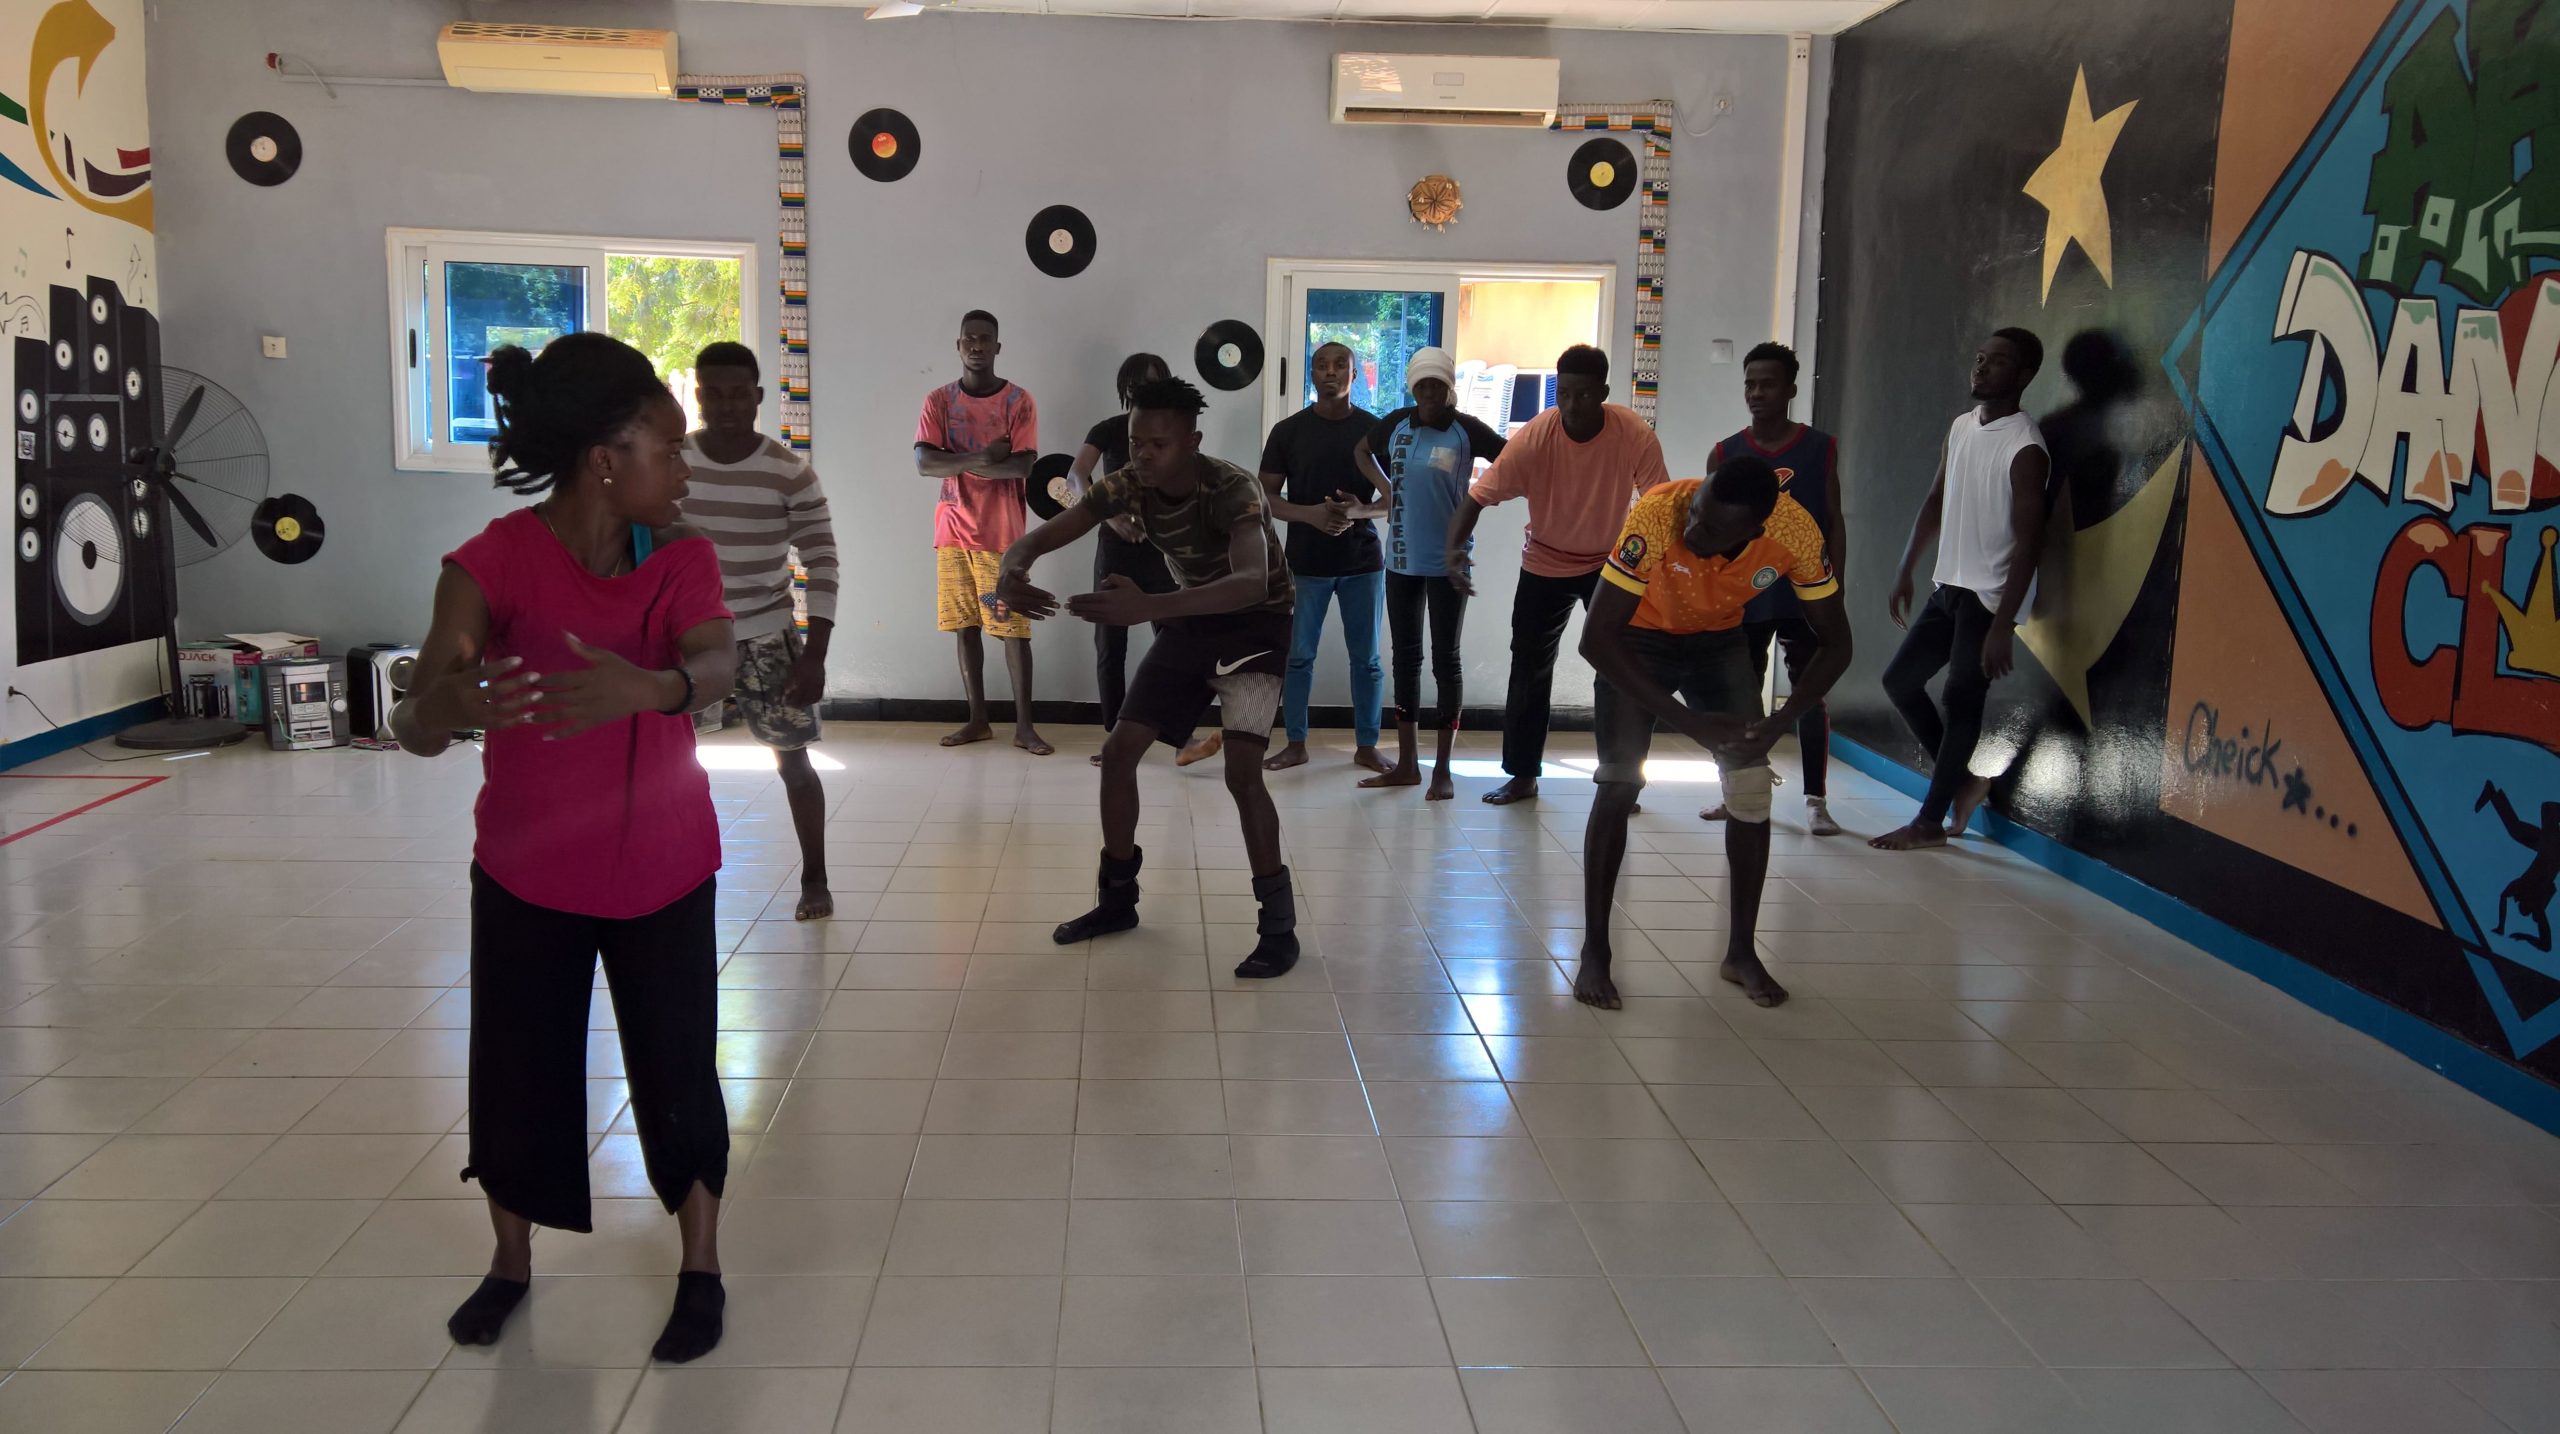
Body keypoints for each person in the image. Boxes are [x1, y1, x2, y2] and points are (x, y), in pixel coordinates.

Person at [391, 333, 736, 1363]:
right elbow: (415, 716)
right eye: (666, 451)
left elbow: (717, 659)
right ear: (605, 459)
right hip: (529, 875)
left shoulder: (680, 555)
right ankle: (509, 1263)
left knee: (677, 1068)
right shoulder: (494, 562)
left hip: (665, 867)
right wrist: (449, 700)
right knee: (519, 1069)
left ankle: (702, 1266)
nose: (682, 471)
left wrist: (655, 687)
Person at [992, 376, 1303, 978]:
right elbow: (1047, 533)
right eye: (1136, 442)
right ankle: (1117, 903)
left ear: (1193, 442)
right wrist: (1012, 569)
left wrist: (1149, 607)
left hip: (1258, 626)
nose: (1143, 455)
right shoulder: (1129, 483)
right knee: (1118, 753)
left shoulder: (1232, 486)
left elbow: (1250, 583)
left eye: (1158, 444)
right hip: (1189, 618)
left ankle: (1279, 929)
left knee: (1243, 774)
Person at [1576, 455, 1851, 1010]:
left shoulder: (1794, 532)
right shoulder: (1658, 515)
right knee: (1619, 784)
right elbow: (1596, 640)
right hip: (1637, 639)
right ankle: (1595, 953)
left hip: (1718, 641)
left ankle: (1741, 952)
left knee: (1750, 789)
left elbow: (1836, 643)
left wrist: (1777, 724)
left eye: (1713, 528)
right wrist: (1693, 726)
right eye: (1697, 514)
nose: (1694, 530)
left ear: (1755, 531)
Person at [1447, 345, 1668, 805]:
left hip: (1611, 565)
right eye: (1563, 393)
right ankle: (1523, 775)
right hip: (1546, 560)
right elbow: (1477, 498)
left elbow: (1660, 506)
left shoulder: (1632, 434)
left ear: (1603, 393)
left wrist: (1658, 571)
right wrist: (1454, 553)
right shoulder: (1535, 437)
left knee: (1617, 669)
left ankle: (1621, 779)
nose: (1571, 405)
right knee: (1528, 666)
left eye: (1583, 395)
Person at [1872, 328, 2052, 851]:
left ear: (2023, 377)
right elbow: (1935, 501)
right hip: (1949, 585)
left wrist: (2002, 624)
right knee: (1900, 681)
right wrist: (1906, 567)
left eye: (1997, 362)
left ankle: (1930, 822)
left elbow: (2030, 543)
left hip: (1990, 596)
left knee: (1960, 697)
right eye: (1980, 358)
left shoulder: (2026, 447)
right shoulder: (1961, 428)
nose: (1981, 367)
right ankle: (1967, 783)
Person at [682, 341, 840, 919]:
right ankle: (675, 877)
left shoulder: (788, 472)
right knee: (666, 764)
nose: (726, 405)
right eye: (713, 394)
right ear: (698, 396)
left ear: (758, 396)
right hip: (688, 639)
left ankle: (815, 879)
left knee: (793, 761)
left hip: (767, 636)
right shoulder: (673, 465)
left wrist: (814, 656)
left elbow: (822, 561)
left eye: (738, 394)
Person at [1697, 342, 1844, 836]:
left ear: (1791, 390)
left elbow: (1833, 520)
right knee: (1739, 691)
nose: (1756, 393)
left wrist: (1834, 584)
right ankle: (1736, 788)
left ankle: (1815, 800)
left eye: (1768, 384)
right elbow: (1710, 528)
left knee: (1809, 691)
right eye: (1750, 384)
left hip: (1802, 592)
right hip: (1745, 595)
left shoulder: (1820, 447)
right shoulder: (1725, 452)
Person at [1352, 347, 1506, 799]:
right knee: (1405, 659)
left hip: (1446, 564)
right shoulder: (1398, 422)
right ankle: (1406, 764)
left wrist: (1479, 500)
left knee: (1446, 661)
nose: (1430, 393)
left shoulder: (1466, 430)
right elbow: (1361, 451)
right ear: (1413, 388)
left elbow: (1514, 463)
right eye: (1422, 386)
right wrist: (1387, 489)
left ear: (1449, 388)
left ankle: (1442, 769)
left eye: (1438, 385)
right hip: (1400, 560)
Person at [1068, 352, 1220, 768]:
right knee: (1109, 645)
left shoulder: (1175, 435)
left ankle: (1183, 738)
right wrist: (1110, 515)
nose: (1143, 391)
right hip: (1116, 551)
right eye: (1136, 385)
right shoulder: (1109, 429)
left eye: (1153, 383)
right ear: (1124, 390)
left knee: (1173, 642)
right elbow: (1074, 478)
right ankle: (1114, 738)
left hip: (1163, 552)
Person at [916, 309, 1050, 755]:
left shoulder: (1018, 402)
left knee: (1011, 627)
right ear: (958, 346)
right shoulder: (938, 401)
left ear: (998, 347)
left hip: (1002, 535)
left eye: (985, 338)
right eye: (968, 338)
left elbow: (1024, 463)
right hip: (952, 531)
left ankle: (1024, 727)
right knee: (964, 625)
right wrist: (982, 457)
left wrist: (958, 459)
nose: (976, 345)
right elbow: (923, 463)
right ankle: (978, 720)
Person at [1261, 340, 1387, 773]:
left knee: (1367, 660)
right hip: (1306, 564)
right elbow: (1264, 499)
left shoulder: (1375, 432)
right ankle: (1296, 742)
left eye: (1339, 365)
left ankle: (1367, 745)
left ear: (1355, 374)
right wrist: (1311, 516)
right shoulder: (1288, 432)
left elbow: (1397, 499)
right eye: (1321, 365)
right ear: (1311, 375)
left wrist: (1359, 511)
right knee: (1297, 657)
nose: (1330, 372)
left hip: (1362, 564)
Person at [2480, 781, 2559, 952]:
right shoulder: (2536, 903)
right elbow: (2546, 945)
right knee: (2548, 809)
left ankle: (2492, 794)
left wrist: (2501, 926)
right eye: (2523, 905)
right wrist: (2526, 937)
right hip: (2554, 851)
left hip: (2546, 847)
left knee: (2516, 831)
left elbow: (2503, 898)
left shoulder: (2521, 887)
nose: (2519, 902)